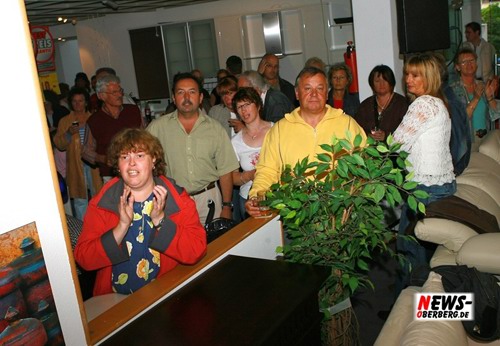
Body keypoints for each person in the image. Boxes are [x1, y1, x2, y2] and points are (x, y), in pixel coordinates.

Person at [74, 128, 207, 296]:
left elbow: (196, 251)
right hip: (116, 299)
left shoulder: (177, 199)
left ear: (153, 160)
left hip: (165, 297)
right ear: (118, 165)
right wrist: (121, 227)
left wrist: (161, 221)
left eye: (139, 155)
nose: (131, 163)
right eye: (124, 157)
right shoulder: (103, 202)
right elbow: (84, 259)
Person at [245, 67, 366, 216]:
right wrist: (257, 195)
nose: (314, 94)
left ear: (326, 93)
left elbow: (364, 165)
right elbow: (267, 170)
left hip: (339, 214)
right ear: (297, 93)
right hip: (294, 216)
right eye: (307, 88)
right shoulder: (279, 130)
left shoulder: (347, 124)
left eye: (319, 88)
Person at [393, 53, 456, 294]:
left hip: (424, 190)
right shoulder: (439, 101)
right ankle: (414, 307)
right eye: (407, 74)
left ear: (428, 76)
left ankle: (408, 308)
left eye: (415, 74)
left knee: (409, 250)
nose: (408, 79)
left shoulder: (423, 104)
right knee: (426, 255)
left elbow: (396, 144)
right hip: (440, 186)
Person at [147, 73, 239, 224]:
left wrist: (227, 206)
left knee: (214, 246)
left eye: (192, 92)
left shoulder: (215, 128)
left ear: (201, 97)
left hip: (209, 199)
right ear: (174, 98)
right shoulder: (157, 128)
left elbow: (225, 170)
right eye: (181, 92)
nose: (186, 97)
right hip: (173, 200)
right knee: (178, 246)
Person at [53, 87, 103, 220]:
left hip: (93, 163)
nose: (77, 104)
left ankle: (101, 226)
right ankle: (82, 230)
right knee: (80, 200)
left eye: (80, 101)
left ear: (86, 102)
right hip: (75, 164)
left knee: (98, 196)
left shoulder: (94, 118)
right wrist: (69, 133)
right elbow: (59, 144)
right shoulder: (65, 121)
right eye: (74, 101)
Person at [82, 74, 143, 182]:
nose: (119, 95)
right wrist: (103, 158)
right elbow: (86, 151)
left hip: (138, 169)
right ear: (101, 96)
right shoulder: (94, 121)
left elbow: (146, 137)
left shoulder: (133, 111)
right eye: (114, 92)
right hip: (111, 175)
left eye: (120, 90)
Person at [231, 87, 273, 221]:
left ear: (258, 105)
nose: (244, 110)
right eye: (239, 107)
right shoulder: (235, 141)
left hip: (276, 194)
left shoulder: (275, 130)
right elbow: (232, 178)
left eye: (247, 104)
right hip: (248, 199)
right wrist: (251, 175)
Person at [451, 47, 499, 151]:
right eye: (464, 62)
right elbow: (460, 119)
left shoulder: (483, 85)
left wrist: (490, 97)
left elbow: (496, 114)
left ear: (476, 64)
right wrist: (476, 98)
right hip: (468, 142)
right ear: (457, 67)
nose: (469, 64)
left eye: (472, 60)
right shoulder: (453, 90)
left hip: (487, 139)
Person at [355, 65, 409, 141]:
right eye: (377, 81)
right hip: (370, 150)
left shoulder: (402, 104)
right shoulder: (365, 106)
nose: (381, 84)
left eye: (385, 80)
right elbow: (356, 129)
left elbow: (408, 131)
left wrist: (387, 136)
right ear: (372, 84)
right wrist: (367, 136)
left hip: (395, 150)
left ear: (391, 82)